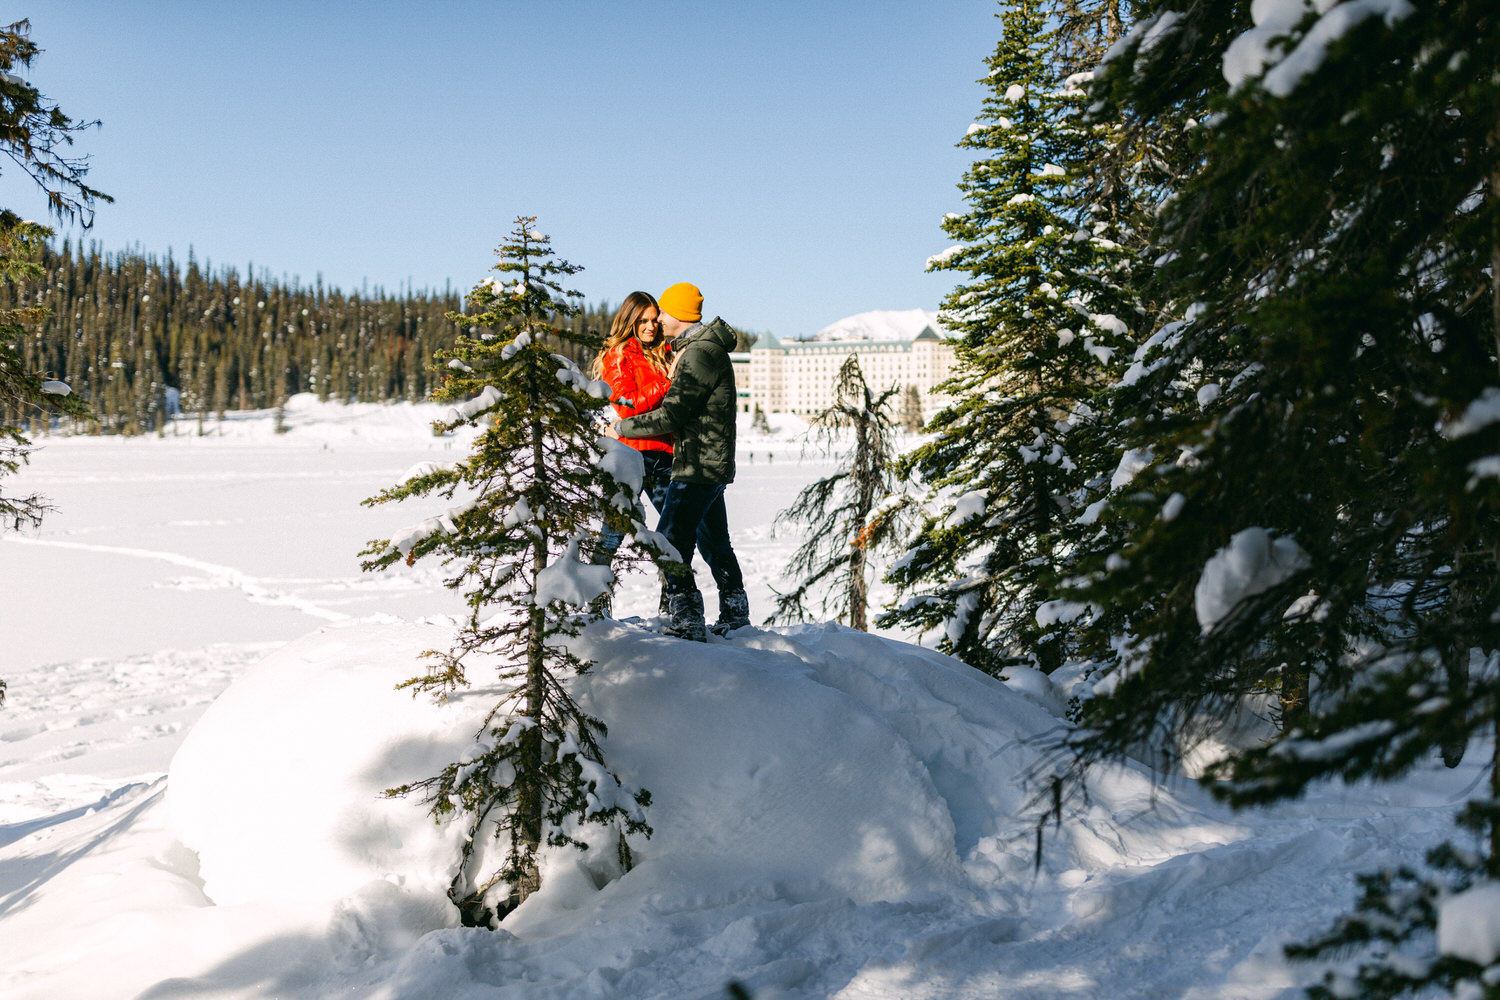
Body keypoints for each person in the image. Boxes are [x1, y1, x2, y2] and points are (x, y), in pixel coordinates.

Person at [615, 282, 749, 641]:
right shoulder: (698, 350)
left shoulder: (698, 355)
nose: (657, 318)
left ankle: (686, 617)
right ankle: (735, 614)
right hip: (708, 463)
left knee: (670, 539)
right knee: (713, 540)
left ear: (677, 314)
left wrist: (622, 426)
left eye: (661, 311)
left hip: (697, 465)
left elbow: (672, 414)